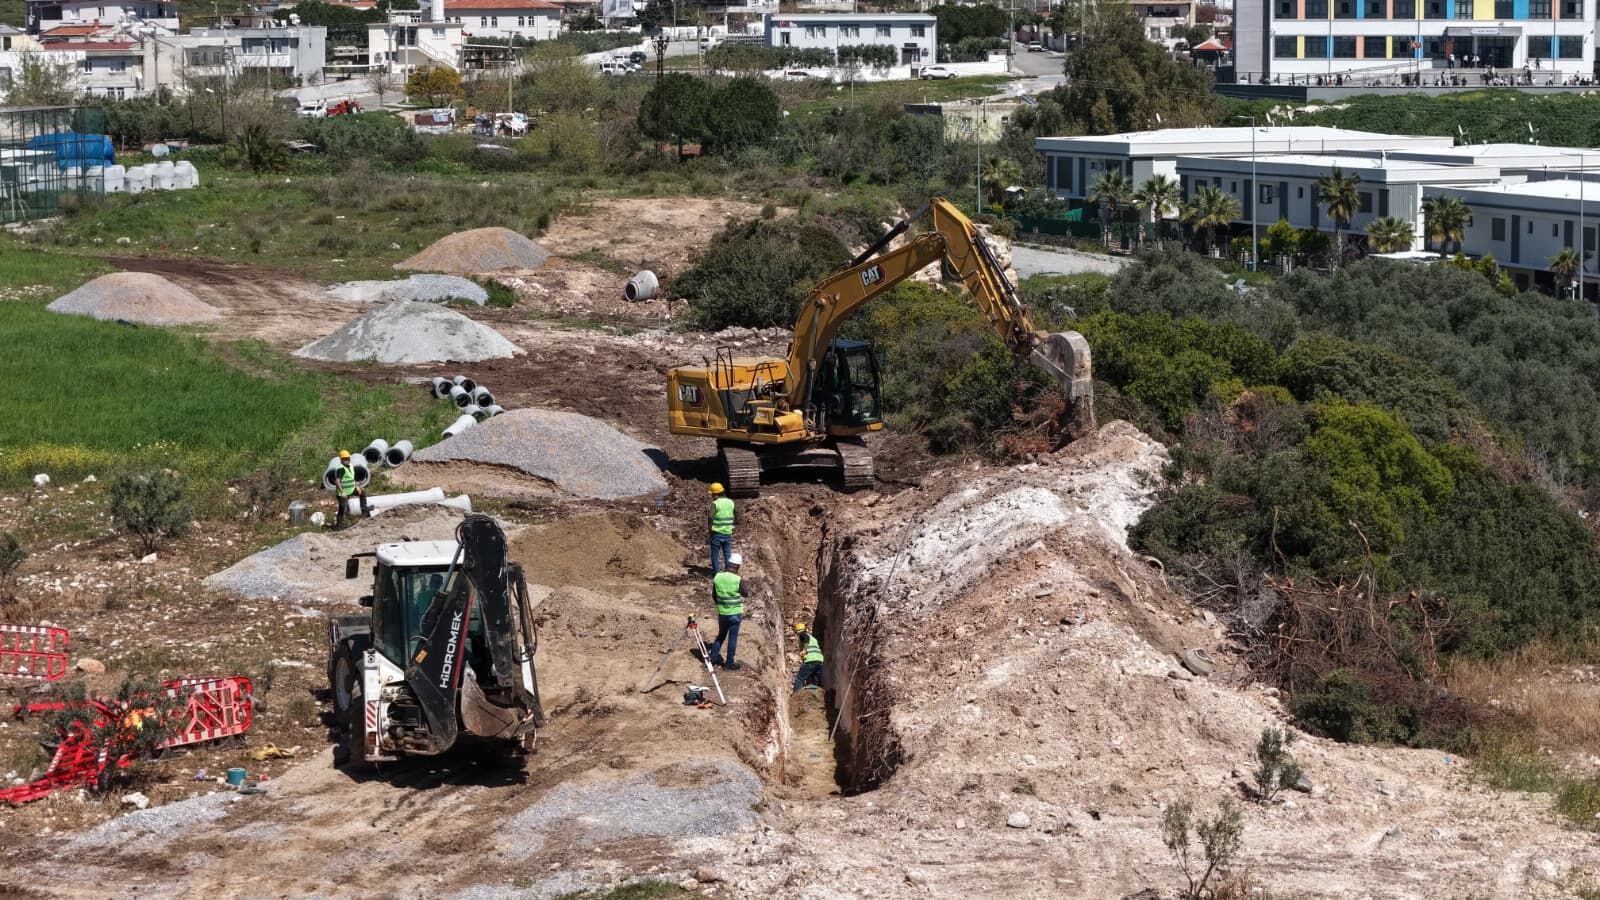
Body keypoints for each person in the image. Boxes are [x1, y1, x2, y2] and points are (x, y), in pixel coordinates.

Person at [708, 553, 747, 671]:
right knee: (732, 637)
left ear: (728, 564)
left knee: (721, 635)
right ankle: (729, 663)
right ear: (738, 567)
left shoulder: (718, 577)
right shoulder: (737, 579)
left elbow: (714, 595)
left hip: (722, 613)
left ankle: (713, 657)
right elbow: (746, 593)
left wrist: (721, 604)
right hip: (735, 613)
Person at [333, 450, 368, 528]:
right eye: (345, 459)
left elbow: (352, 478)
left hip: (351, 489)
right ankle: (339, 525)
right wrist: (342, 492)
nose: (347, 460)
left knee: (362, 492)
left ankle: (364, 511)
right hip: (343, 493)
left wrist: (357, 487)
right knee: (342, 509)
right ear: (341, 460)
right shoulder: (340, 468)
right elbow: (337, 481)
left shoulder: (351, 466)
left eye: (348, 458)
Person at [708, 482, 735, 574]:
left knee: (715, 554)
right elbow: (735, 514)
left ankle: (716, 573)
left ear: (716, 494)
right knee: (727, 553)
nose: (711, 495)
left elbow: (710, 517)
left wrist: (710, 528)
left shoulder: (715, 504)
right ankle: (728, 572)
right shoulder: (731, 502)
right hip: (727, 532)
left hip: (716, 533)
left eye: (712, 494)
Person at [792, 623, 824, 691]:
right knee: (814, 682)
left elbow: (806, 638)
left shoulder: (802, 634)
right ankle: (813, 695)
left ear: (797, 631)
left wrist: (804, 650)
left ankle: (797, 697)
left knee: (799, 679)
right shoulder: (813, 639)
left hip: (810, 660)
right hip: (819, 661)